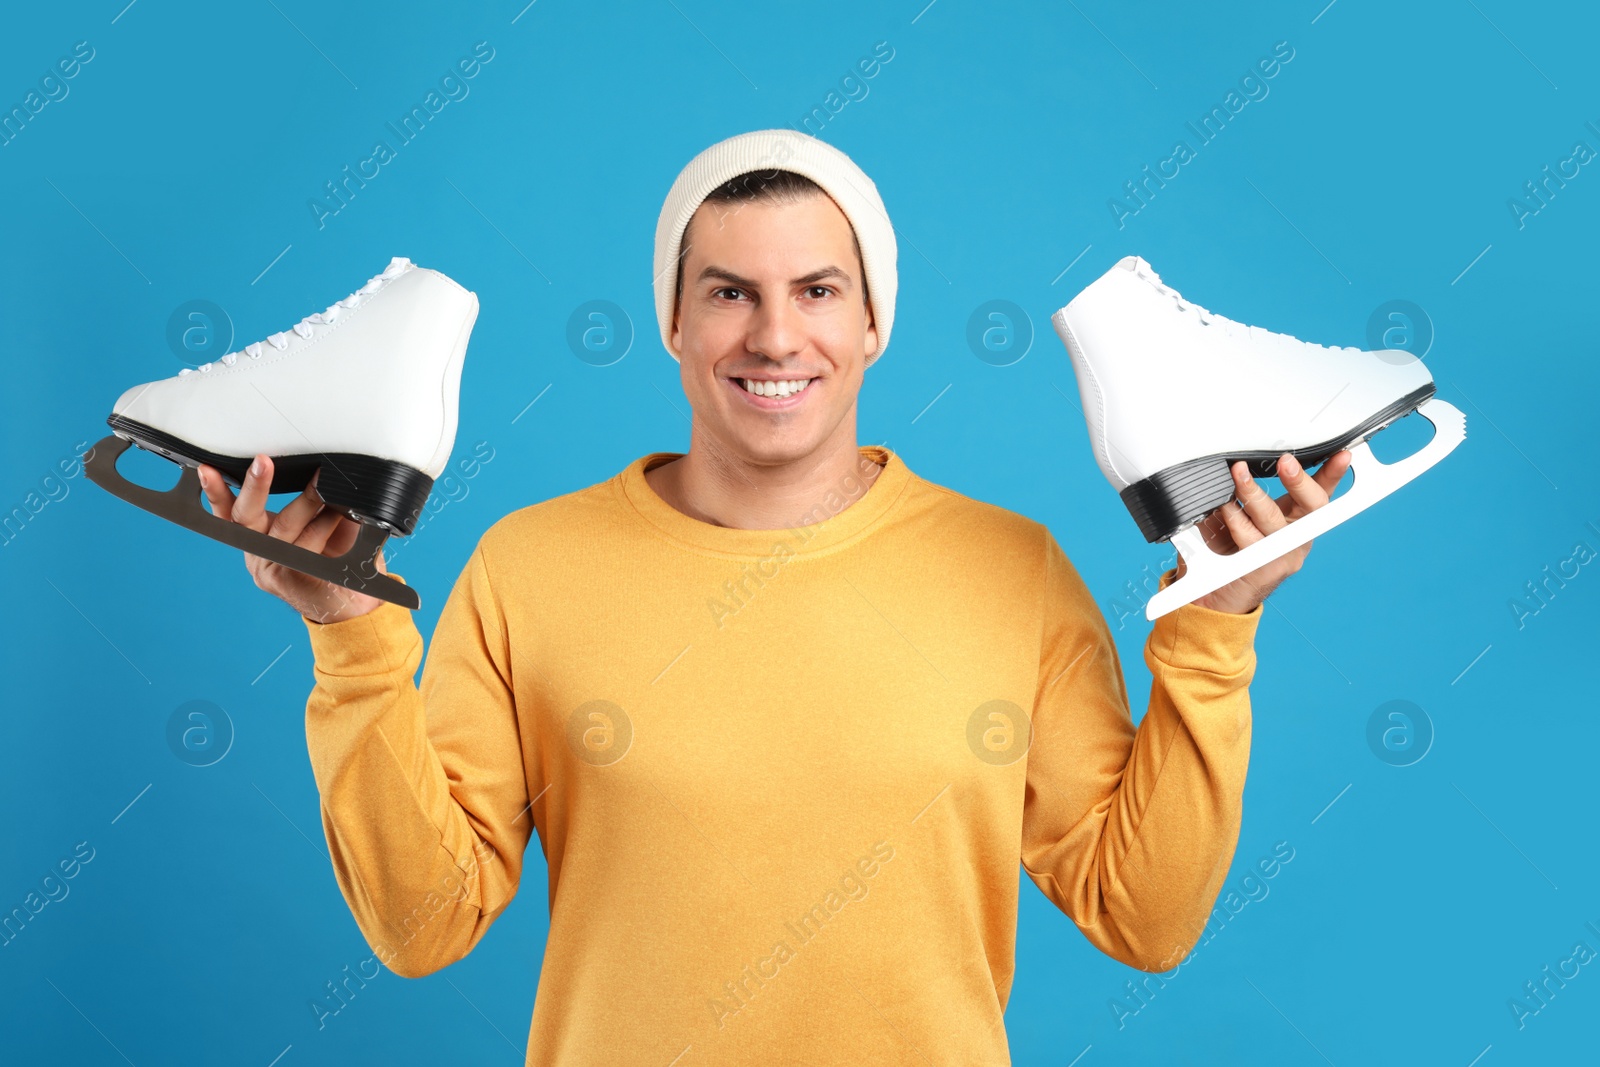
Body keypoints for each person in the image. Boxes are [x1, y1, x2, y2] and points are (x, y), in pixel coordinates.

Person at [194, 129, 1351, 1064]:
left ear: (871, 320)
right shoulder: (528, 566)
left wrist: (1216, 624)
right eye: (730, 292)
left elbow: (1139, 915)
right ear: (675, 322)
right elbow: (423, 923)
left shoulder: (1013, 570)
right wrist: (349, 637)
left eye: (816, 289)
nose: (776, 334)